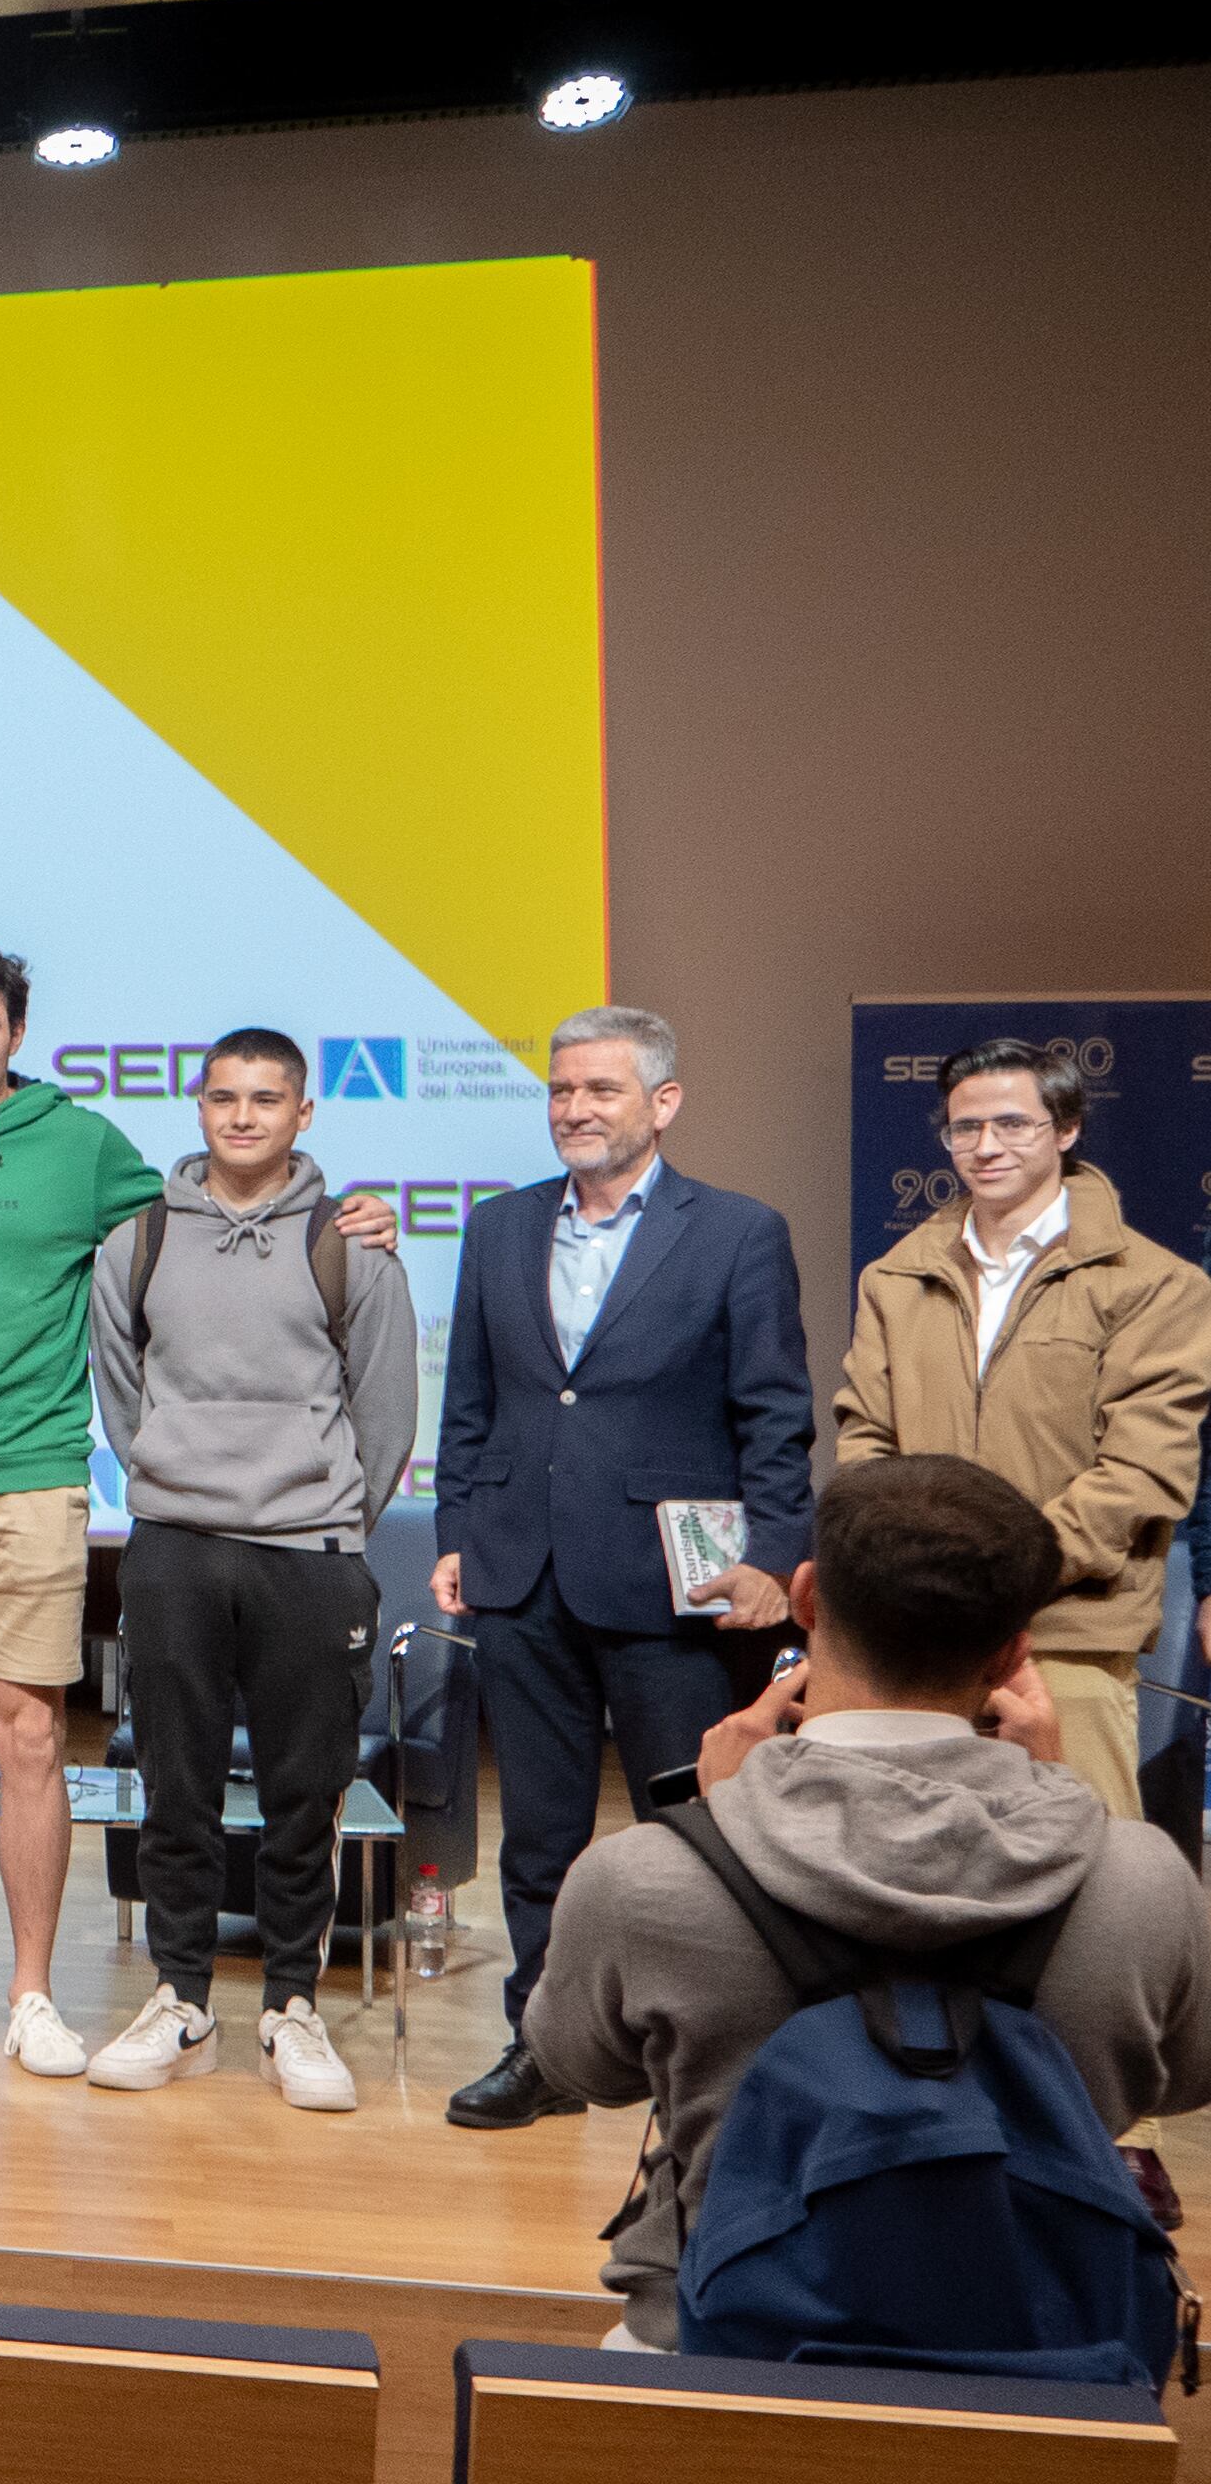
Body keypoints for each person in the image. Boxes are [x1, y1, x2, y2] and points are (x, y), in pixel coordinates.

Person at [0, 942, 380, 2074]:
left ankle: (28, 1997)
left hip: (31, 1473)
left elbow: (223, 1207)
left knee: (28, 1740)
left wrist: (342, 1212)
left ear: (15, 1032)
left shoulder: (81, 1147)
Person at [530, 1455, 1211, 2347]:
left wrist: (712, 1820)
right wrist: (1052, 1791)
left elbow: (580, 2067)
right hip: (1048, 2370)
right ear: (1014, 1653)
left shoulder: (644, 1877)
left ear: (805, 1598)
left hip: (719, 2350)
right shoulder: (1144, 1879)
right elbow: (1190, 2071)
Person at [433, 1005, 814, 2128]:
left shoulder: (736, 1232)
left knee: (697, 1836)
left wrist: (769, 1560)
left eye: (598, 1091)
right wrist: (457, 1526)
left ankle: (713, 2060)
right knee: (538, 1838)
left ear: (661, 1103)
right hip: (522, 1577)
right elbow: (469, 1404)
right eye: (559, 1090)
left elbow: (775, 1419)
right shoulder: (497, 1229)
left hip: (674, 1589)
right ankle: (541, 2049)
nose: (572, 1110)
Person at [83, 1032, 420, 2111]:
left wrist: (324, 1516)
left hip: (308, 1555)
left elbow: (383, 1412)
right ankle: (179, 2002)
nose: (241, 1117)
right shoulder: (135, 1240)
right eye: (222, 1097)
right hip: (175, 1550)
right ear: (196, 1105)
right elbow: (122, 1393)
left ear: (301, 1114)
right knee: (172, 1793)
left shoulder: (352, 1247)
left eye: (264, 1099)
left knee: (298, 1796)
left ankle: (290, 2009)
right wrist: (177, 1488)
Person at [829, 1036, 1211, 1822]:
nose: (986, 1147)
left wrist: (996, 1575)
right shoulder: (894, 1279)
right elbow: (865, 1442)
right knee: (910, 1880)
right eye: (965, 1129)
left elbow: (1142, 1473)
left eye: (1013, 1124)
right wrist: (908, 1575)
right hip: (913, 1639)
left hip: (1065, 1636)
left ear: (1066, 1130)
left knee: (1091, 1887)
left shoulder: (1157, 1285)